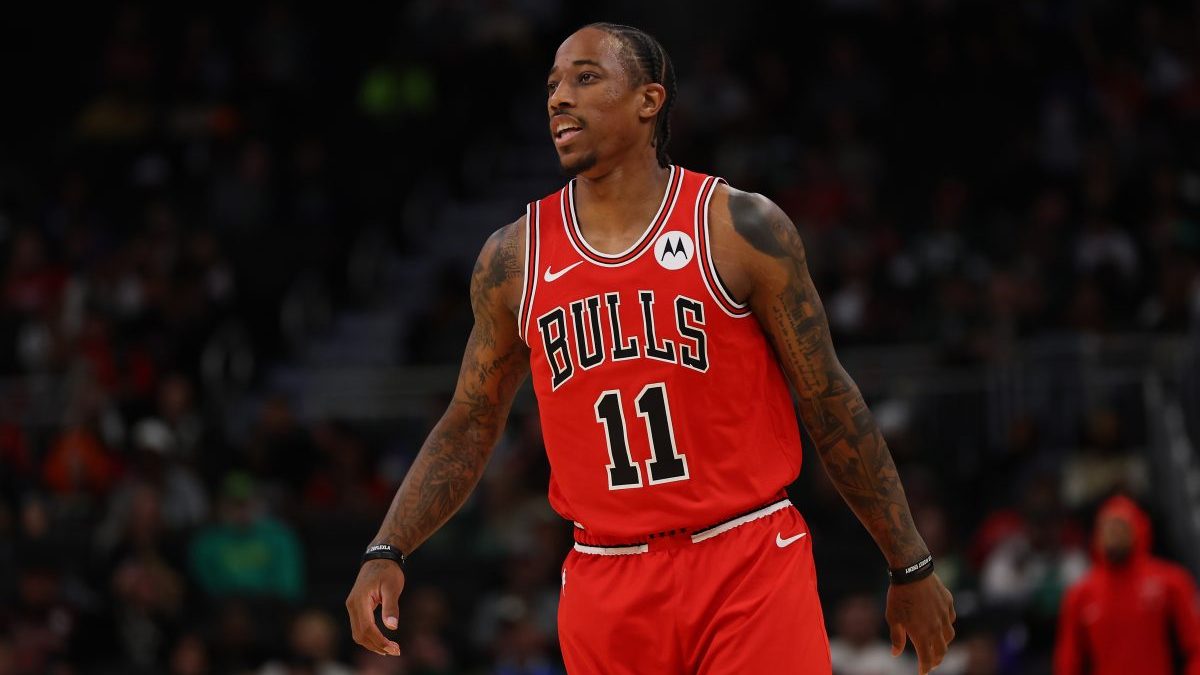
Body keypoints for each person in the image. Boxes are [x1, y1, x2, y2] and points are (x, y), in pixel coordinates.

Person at [347, 23, 955, 674]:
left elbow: (828, 397)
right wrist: (388, 548)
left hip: (746, 557)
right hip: (605, 576)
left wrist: (909, 561)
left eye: (585, 78)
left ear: (649, 99)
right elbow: (471, 420)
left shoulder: (737, 226)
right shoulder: (514, 258)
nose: (558, 98)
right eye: (552, 85)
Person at [1054, 495, 1200, 675]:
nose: (1113, 535)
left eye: (1120, 527)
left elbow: (1196, 645)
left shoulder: (1170, 581)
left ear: (1137, 529)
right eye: (1107, 528)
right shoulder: (1081, 593)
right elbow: (1068, 660)